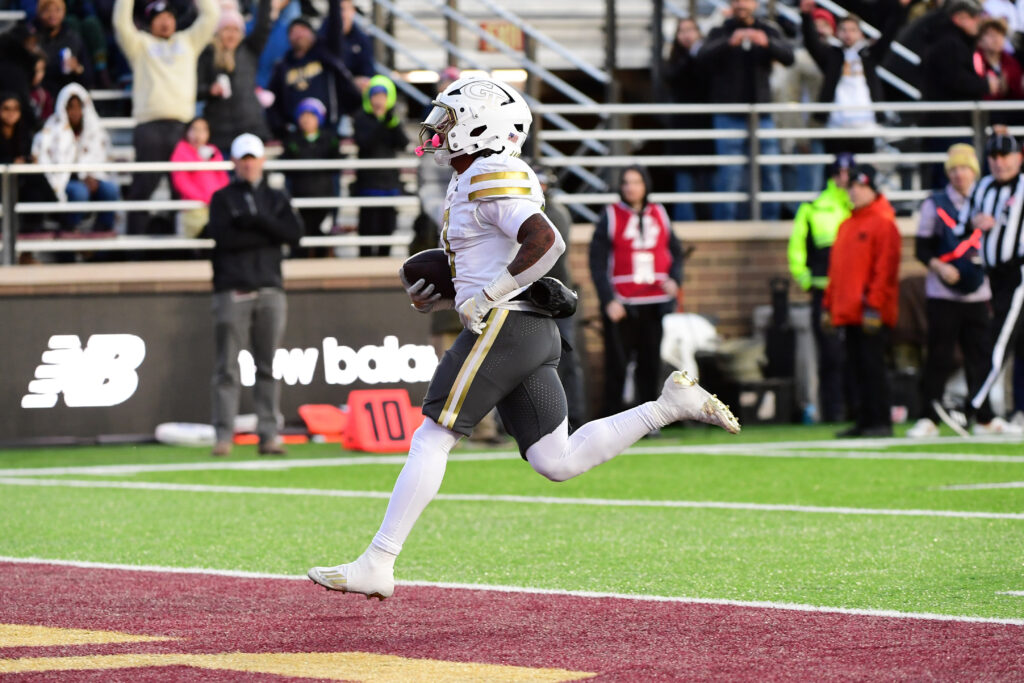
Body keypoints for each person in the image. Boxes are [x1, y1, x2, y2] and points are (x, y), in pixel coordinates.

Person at [307, 77, 740, 600]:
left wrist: (486, 296)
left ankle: (379, 560)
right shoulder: (473, 176)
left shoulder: (492, 171)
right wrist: (447, 296)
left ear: (480, 124)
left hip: (506, 325)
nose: (439, 129)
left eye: (449, 118)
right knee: (556, 460)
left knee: (433, 435)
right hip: (526, 328)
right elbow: (488, 259)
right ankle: (667, 406)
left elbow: (546, 240)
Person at [205, 133, 303, 457]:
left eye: (252, 158)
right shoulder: (222, 199)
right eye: (243, 158)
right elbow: (223, 238)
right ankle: (224, 435)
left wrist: (255, 222)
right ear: (235, 162)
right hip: (234, 289)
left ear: (261, 160)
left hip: (269, 288)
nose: (248, 164)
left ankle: (268, 434)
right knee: (227, 368)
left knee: (267, 366)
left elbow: (294, 235)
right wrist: (267, 230)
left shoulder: (275, 198)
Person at [908, 144, 1003, 437]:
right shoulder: (935, 203)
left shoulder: (990, 199)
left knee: (980, 355)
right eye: (954, 169)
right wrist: (940, 267)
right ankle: (929, 417)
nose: (959, 174)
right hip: (944, 293)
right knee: (939, 355)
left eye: (964, 168)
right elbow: (921, 248)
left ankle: (984, 417)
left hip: (978, 292)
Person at [113, 0, 219, 237]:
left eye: (169, 16)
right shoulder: (140, 45)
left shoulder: (188, 41)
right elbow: (121, 23)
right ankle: (135, 250)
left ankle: (178, 248)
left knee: (181, 191)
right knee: (143, 188)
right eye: (159, 17)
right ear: (149, 23)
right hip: (149, 127)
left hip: (183, 127)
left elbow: (211, 15)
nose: (165, 21)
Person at [589, 165, 684, 418]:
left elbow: (675, 251)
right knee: (617, 365)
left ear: (646, 185)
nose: (631, 187)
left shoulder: (659, 212)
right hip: (622, 303)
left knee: (650, 365)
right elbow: (596, 262)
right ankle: (609, 421)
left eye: (636, 182)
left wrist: (675, 279)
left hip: (654, 301)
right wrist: (608, 300)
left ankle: (650, 421)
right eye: (626, 182)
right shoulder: (610, 215)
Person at [953, 133, 1024, 434]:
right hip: (995, 276)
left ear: (1019, 157)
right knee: (1019, 344)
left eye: (1005, 155)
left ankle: (968, 408)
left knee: (997, 341)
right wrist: (974, 224)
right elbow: (960, 226)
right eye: (993, 157)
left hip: (1020, 273)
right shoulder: (982, 187)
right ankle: (1018, 411)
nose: (999, 162)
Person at [698, 0, 793, 221]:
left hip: (762, 113)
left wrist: (767, 42)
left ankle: (771, 223)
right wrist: (728, 43)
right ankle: (727, 226)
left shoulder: (767, 29)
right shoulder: (720, 30)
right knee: (730, 175)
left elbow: (789, 57)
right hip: (728, 113)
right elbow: (702, 57)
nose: (742, 4)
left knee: (770, 172)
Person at [824, 164, 901, 437]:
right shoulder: (847, 224)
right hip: (849, 311)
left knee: (873, 366)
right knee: (854, 367)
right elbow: (837, 271)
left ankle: (881, 420)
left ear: (872, 189)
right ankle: (864, 420)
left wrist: (875, 305)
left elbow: (885, 270)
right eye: (852, 187)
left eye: (860, 186)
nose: (854, 192)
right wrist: (828, 305)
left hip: (870, 311)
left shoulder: (883, 223)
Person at [788, 152, 854, 423]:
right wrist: (804, 279)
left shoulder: (858, 204)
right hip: (824, 293)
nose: (844, 178)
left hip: (854, 294)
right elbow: (796, 248)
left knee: (856, 353)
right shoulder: (814, 207)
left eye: (849, 173)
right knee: (829, 355)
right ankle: (833, 411)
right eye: (840, 172)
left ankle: (857, 408)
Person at [799, 0, 909, 156]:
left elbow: (888, 36)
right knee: (835, 177)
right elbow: (811, 43)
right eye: (843, 30)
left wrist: (899, 8)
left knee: (862, 176)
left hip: (866, 127)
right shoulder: (831, 56)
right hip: (836, 128)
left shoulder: (869, 56)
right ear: (837, 33)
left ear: (860, 33)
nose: (848, 34)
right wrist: (805, 15)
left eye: (852, 30)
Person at [536, 163, 586, 430]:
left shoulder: (554, 213)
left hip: (554, 296)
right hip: (532, 295)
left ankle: (573, 416)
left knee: (565, 359)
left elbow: (546, 257)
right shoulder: (528, 211)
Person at [31, 83, 119, 233]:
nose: (75, 112)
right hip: (62, 180)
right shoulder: (51, 131)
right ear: (63, 108)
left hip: (91, 178)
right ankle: (70, 232)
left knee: (110, 189)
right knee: (80, 192)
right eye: (70, 107)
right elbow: (44, 161)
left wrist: (93, 177)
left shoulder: (94, 131)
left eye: (79, 107)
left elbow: (102, 159)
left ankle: (102, 235)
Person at [266, 0, 360, 139]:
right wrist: (281, 127)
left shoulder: (326, 53)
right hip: (296, 134)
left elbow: (335, 25)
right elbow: (272, 101)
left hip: (328, 130)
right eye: (293, 31)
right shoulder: (283, 66)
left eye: (303, 30)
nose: (298, 34)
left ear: (312, 33)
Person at [920, 0, 988, 188]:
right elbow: (957, 80)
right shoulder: (950, 43)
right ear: (960, 18)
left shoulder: (945, 40)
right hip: (949, 123)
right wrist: (986, 84)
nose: (978, 23)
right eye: (975, 18)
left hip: (947, 122)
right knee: (953, 180)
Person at [196, 0, 272, 156]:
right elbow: (194, 90)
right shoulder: (207, 55)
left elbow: (264, 25)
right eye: (226, 29)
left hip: (251, 129)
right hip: (219, 132)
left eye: (236, 29)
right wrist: (210, 90)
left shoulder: (249, 50)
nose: (231, 34)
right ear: (218, 31)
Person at [352, 74, 408, 257]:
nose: (379, 100)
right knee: (368, 223)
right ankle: (365, 258)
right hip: (368, 181)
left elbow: (402, 143)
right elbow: (364, 143)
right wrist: (379, 122)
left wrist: (390, 122)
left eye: (383, 96)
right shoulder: (361, 118)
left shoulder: (392, 119)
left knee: (387, 223)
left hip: (389, 180)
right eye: (375, 96)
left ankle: (385, 256)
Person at [663, 16, 711, 222]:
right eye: (682, 31)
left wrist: (698, 52)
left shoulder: (707, 54)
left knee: (708, 182)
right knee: (685, 183)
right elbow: (674, 77)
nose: (687, 35)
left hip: (706, 127)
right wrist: (692, 54)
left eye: (691, 30)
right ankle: (685, 223)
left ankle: (709, 222)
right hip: (683, 129)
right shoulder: (675, 58)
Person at [281, 97, 342, 255]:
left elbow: (337, 163)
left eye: (311, 115)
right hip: (300, 197)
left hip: (323, 197)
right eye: (303, 115)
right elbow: (285, 165)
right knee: (300, 238)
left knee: (321, 237)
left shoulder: (329, 139)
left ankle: (321, 268)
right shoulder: (292, 141)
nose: (306, 120)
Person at [170, 117, 230, 238]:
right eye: (195, 129)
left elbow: (223, 178)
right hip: (194, 208)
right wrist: (206, 199)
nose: (198, 134)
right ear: (187, 132)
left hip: (215, 206)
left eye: (203, 130)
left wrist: (217, 199)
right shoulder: (181, 151)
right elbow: (181, 182)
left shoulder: (213, 151)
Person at [34, 0, 93, 98]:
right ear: (39, 13)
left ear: (64, 12)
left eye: (57, 10)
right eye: (47, 10)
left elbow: (88, 77)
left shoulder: (73, 39)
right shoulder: (32, 38)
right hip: (41, 94)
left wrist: (78, 68)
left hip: (66, 94)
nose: (53, 15)